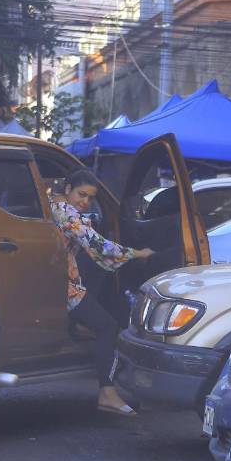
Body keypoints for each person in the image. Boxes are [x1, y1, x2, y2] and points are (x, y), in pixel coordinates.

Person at [51, 169, 154, 416]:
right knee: (108, 326)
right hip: (65, 287)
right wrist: (139, 253)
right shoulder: (66, 214)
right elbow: (99, 246)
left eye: (89, 198)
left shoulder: (54, 206)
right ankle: (107, 392)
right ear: (68, 189)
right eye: (80, 194)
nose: (84, 202)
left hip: (59, 280)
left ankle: (82, 329)